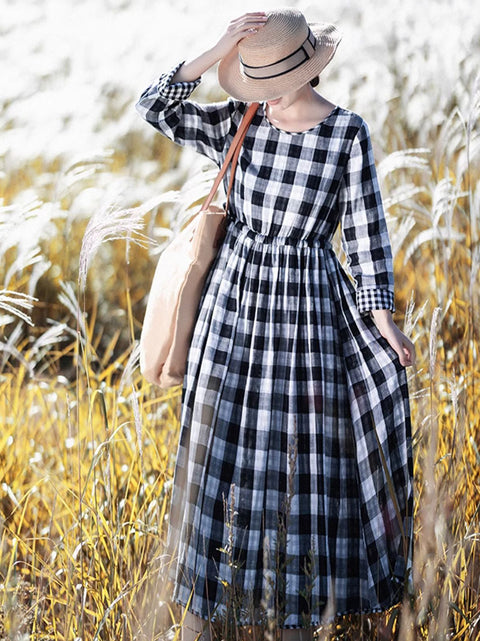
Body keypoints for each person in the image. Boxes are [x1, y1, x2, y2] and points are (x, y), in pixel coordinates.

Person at [135, 8, 415, 641]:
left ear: (305, 66)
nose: (260, 90)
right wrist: (216, 50)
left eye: (269, 75)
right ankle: (206, 612)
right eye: (251, 75)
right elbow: (156, 106)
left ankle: (295, 614)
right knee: (218, 450)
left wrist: (383, 320)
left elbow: (367, 235)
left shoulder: (347, 134)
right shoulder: (241, 120)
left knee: (300, 457)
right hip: (232, 309)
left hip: (307, 314)